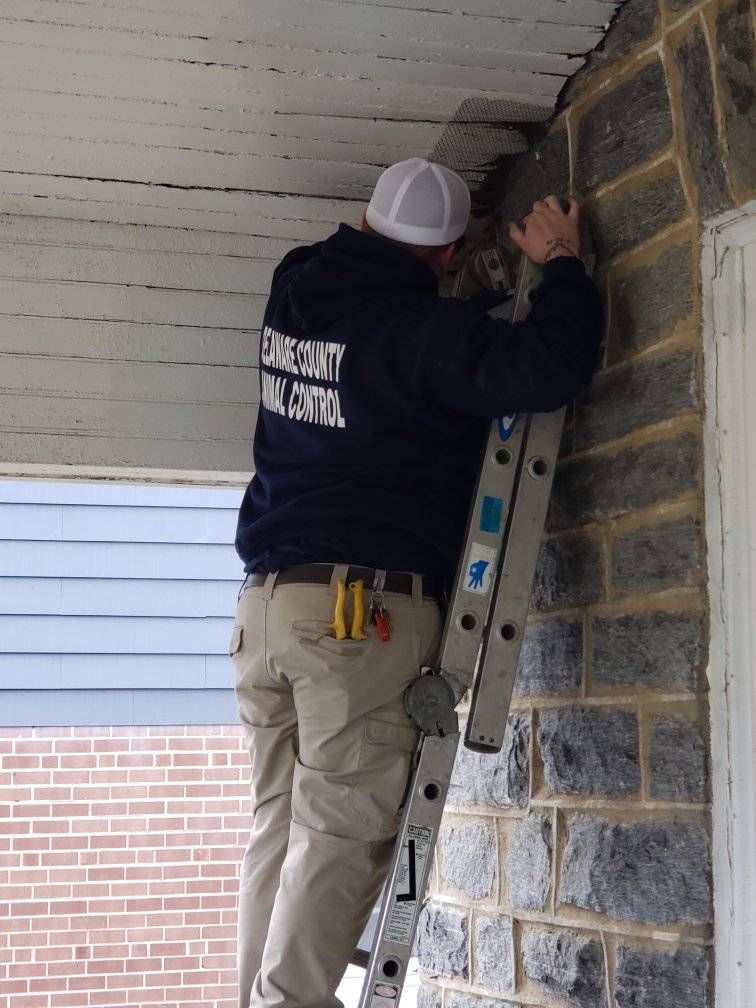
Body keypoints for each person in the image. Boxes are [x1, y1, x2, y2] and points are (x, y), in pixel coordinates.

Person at [229, 158, 603, 1008]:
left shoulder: (296, 285)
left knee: (278, 830)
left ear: (368, 221)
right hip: (353, 620)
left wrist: (458, 281)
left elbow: (385, 325)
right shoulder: (423, 336)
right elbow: (547, 366)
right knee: (339, 833)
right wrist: (560, 265)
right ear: (445, 254)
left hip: (265, 611)